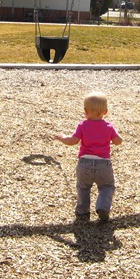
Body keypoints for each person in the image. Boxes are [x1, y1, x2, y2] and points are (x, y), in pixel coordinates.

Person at [54, 91, 123, 222]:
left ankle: (82, 211)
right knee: (107, 186)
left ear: (85, 111)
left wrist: (62, 138)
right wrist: (116, 136)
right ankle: (102, 206)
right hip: (104, 164)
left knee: (83, 187)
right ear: (106, 112)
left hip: (84, 163)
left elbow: (72, 141)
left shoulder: (82, 125)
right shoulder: (109, 127)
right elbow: (118, 141)